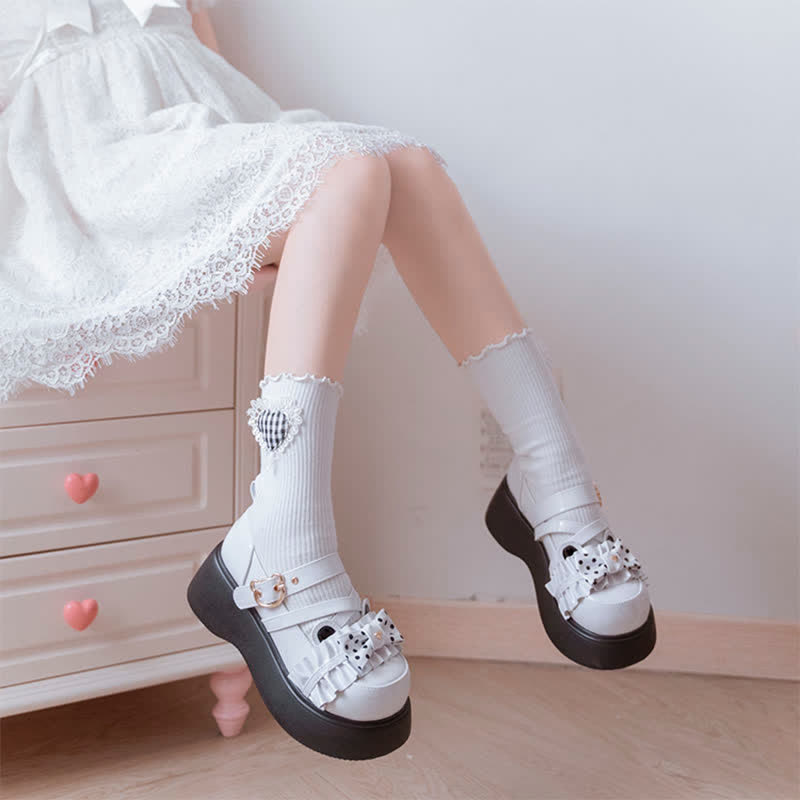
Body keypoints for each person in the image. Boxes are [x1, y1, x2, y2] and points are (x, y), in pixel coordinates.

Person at [1, 0, 655, 759]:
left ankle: (551, 470)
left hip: (203, 134)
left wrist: (273, 185)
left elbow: (212, 69)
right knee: (345, 174)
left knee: (407, 167)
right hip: (92, 170)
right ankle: (287, 536)